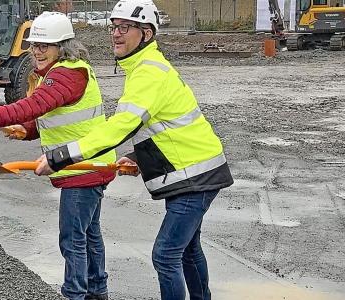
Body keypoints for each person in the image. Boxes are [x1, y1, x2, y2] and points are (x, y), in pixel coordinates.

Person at [34, 1, 234, 299]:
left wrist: (60, 156)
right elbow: (169, 125)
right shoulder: (143, 68)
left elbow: (120, 127)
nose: (116, 34)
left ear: (147, 34)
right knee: (188, 250)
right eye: (114, 27)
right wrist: (139, 156)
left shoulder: (148, 73)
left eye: (125, 27)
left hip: (196, 175)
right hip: (196, 169)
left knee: (165, 255)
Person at [0, 11, 113, 300]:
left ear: (62, 47)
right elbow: (52, 115)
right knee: (89, 235)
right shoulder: (59, 72)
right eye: (34, 44)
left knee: (73, 238)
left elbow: (36, 105)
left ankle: (75, 293)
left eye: (43, 46)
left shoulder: (68, 73)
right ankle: (97, 290)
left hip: (82, 168)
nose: (36, 51)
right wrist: (26, 131)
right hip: (88, 165)